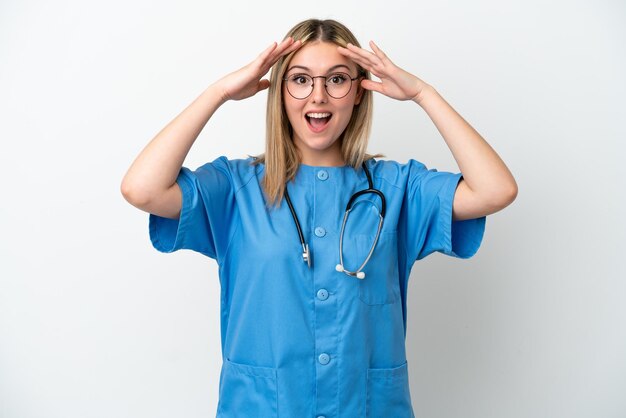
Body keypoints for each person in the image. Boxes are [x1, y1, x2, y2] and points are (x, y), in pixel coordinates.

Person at [121, 18, 517, 418]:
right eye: (300, 79)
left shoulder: (397, 189)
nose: (318, 97)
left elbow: (495, 190)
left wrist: (423, 94)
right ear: (279, 91)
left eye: (337, 80)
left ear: (360, 91)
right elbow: (143, 189)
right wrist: (219, 92)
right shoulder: (235, 189)